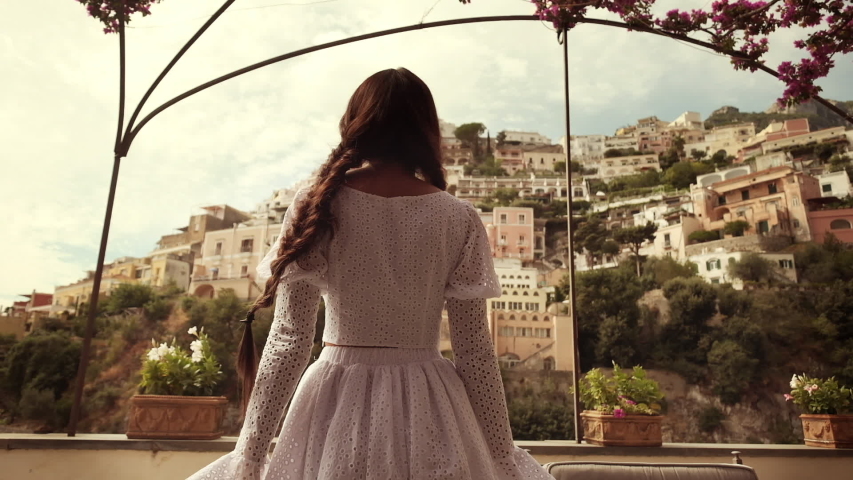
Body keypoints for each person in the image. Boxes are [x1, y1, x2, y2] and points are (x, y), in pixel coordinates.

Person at [188, 68, 554, 480]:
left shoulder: (318, 205)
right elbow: (473, 350)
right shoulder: (459, 217)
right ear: (426, 131)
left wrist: (248, 458)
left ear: (354, 125)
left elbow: (290, 339)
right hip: (433, 406)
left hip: (332, 400)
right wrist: (503, 456)